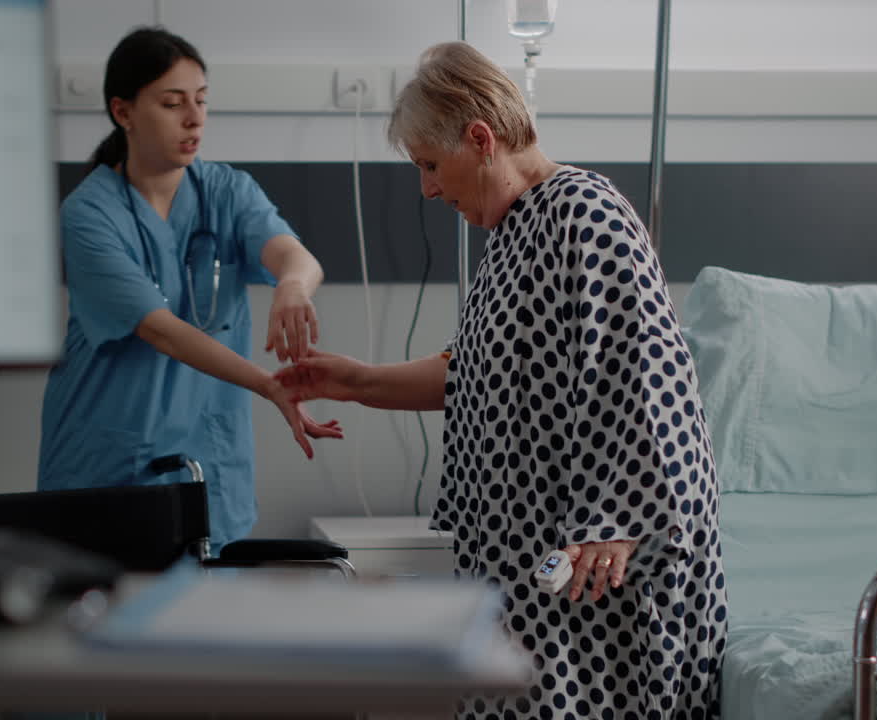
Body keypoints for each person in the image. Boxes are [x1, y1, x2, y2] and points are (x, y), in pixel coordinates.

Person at [278, 42, 726, 719]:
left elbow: (651, 378)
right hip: (526, 567)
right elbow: (476, 375)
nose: (427, 188)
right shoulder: (516, 231)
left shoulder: (585, 213)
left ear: (481, 139)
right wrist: (358, 381)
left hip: (592, 568)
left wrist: (616, 524)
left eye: (430, 165)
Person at [39, 27, 341, 553]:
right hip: (108, 464)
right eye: (172, 103)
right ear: (123, 112)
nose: (194, 117)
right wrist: (268, 383)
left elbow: (295, 256)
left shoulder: (226, 191)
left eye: (201, 101)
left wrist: (292, 287)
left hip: (208, 463)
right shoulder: (89, 215)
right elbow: (163, 331)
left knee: (206, 619)